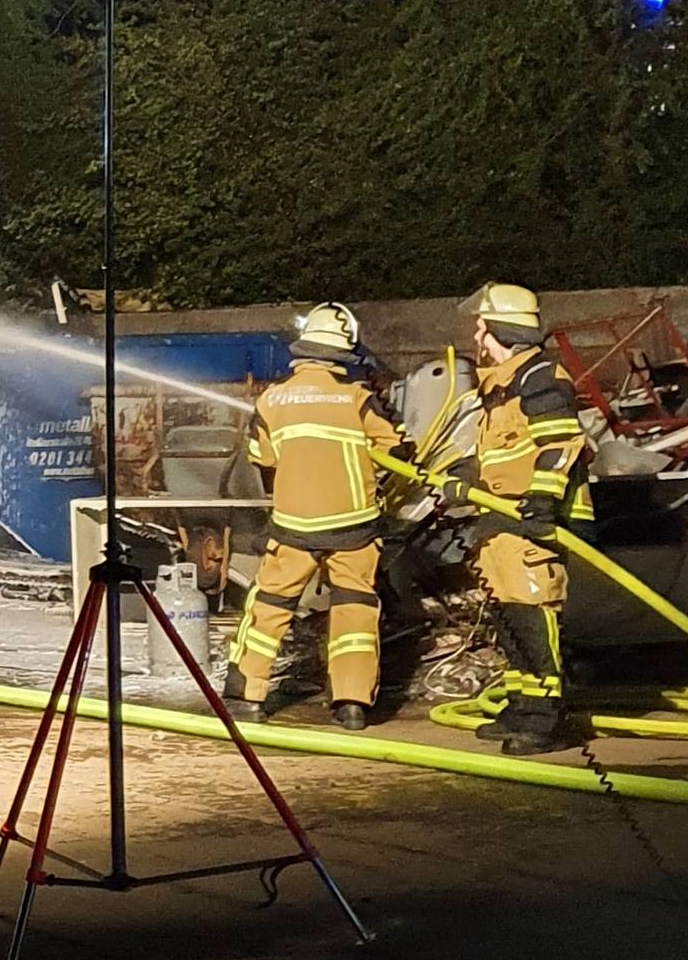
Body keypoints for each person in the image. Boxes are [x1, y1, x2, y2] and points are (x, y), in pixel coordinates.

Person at [225, 303, 404, 731]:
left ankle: (246, 696)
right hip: (354, 526)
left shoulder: (271, 401)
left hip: (293, 526)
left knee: (269, 604)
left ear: (303, 351)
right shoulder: (357, 399)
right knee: (355, 609)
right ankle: (352, 704)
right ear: (343, 355)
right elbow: (397, 450)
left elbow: (263, 460)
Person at [441, 282, 594, 755]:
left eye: (481, 329)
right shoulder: (502, 386)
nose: (476, 339)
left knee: (531, 614)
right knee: (508, 615)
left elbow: (560, 444)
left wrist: (542, 502)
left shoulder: (539, 377)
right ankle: (522, 705)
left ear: (497, 330)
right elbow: (505, 452)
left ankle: (544, 716)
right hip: (502, 519)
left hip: (533, 519)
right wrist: (463, 475)